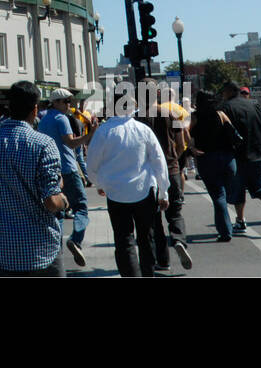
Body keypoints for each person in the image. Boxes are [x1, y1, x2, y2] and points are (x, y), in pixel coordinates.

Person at [0, 81, 68, 277]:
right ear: (34, 109)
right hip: (40, 252)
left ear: (9, 107)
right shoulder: (44, 144)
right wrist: (64, 201)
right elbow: (51, 201)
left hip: (1, 252)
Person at [86, 85, 169, 278]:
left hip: (116, 192)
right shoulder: (143, 130)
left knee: (124, 240)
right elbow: (159, 162)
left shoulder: (103, 132)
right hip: (144, 190)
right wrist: (163, 192)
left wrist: (100, 184)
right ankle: (148, 273)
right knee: (146, 238)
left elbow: (92, 165)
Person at [138, 81, 192, 272]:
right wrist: (174, 159)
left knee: (154, 220)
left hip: (149, 174)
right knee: (175, 213)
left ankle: (163, 261)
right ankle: (178, 239)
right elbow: (181, 143)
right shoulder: (172, 113)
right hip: (172, 168)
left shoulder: (138, 118)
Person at [36, 88, 91, 268]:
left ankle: (55, 252)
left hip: (50, 170)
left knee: (57, 212)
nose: (69, 105)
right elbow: (70, 142)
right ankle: (75, 239)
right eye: (66, 101)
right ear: (56, 102)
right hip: (67, 168)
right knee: (81, 206)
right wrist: (91, 134)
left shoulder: (43, 121)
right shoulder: (62, 119)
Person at [219, 81, 261, 235]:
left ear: (228, 92)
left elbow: (225, 132)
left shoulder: (226, 108)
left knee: (238, 190)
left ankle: (240, 221)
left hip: (237, 156)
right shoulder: (253, 106)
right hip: (257, 153)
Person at [189, 89, 238, 241]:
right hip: (227, 158)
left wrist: (192, 148)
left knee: (218, 195)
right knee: (226, 190)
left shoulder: (195, 117)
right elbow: (233, 132)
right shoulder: (221, 114)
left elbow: (185, 131)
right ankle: (229, 222)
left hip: (207, 158)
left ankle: (225, 231)